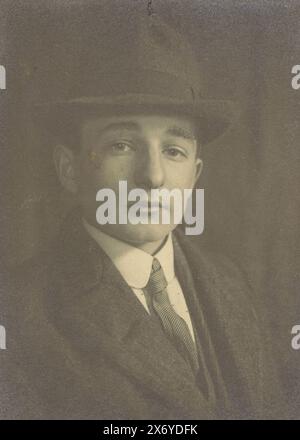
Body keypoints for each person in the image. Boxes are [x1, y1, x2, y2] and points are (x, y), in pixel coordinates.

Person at [5, 12, 282, 419]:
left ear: (194, 175)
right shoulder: (20, 312)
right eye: (122, 144)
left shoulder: (232, 285)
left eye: (174, 150)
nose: (153, 177)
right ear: (70, 168)